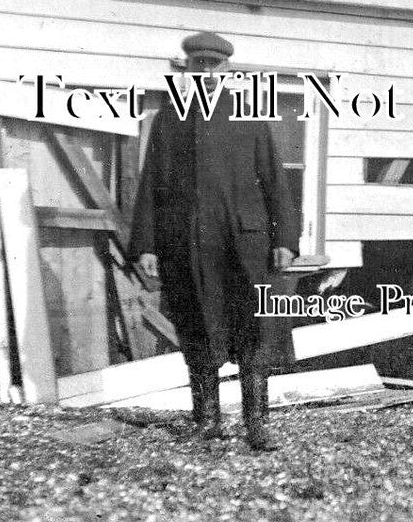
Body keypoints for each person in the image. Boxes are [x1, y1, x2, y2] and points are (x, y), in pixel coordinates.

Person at [128, 31, 301, 452]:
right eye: (197, 66)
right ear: (186, 69)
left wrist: (286, 238)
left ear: (227, 71)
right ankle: (207, 422)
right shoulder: (169, 118)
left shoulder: (248, 115)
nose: (205, 74)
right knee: (196, 326)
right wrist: (146, 244)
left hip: (244, 244)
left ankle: (256, 425)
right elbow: (152, 184)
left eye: (213, 67)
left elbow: (275, 180)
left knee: (253, 329)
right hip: (189, 245)